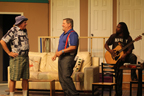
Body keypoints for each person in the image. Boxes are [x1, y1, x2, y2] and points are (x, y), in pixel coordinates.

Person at [104, 22, 137, 96]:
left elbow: (130, 49)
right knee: (118, 74)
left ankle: (133, 76)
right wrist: (110, 51)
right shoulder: (113, 36)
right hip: (116, 58)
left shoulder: (128, 37)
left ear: (122, 29)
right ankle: (118, 93)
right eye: (117, 27)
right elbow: (106, 44)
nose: (116, 28)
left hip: (125, 56)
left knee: (133, 57)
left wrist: (125, 54)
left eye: (118, 27)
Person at [0, 16, 29, 96]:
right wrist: (9, 52)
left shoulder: (25, 30)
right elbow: (2, 41)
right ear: (20, 23)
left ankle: (25, 94)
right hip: (17, 58)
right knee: (13, 78)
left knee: (25, 78)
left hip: (25, 57)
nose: (26, 24)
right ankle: (12, 95)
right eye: (24, 22)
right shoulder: (13, 30)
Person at [52, 18, 79, 96]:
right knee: (61, 78)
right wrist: (55, 54)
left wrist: (62, 51)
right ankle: (67, 94)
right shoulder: (63, 34)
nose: (62, 25)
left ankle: (74, 94)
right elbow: (60, 46)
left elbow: (73, 47)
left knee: (66, 77)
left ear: (69, 25)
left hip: (68, 57)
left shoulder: (73, 34)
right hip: (61, 57)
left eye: (64, 23)